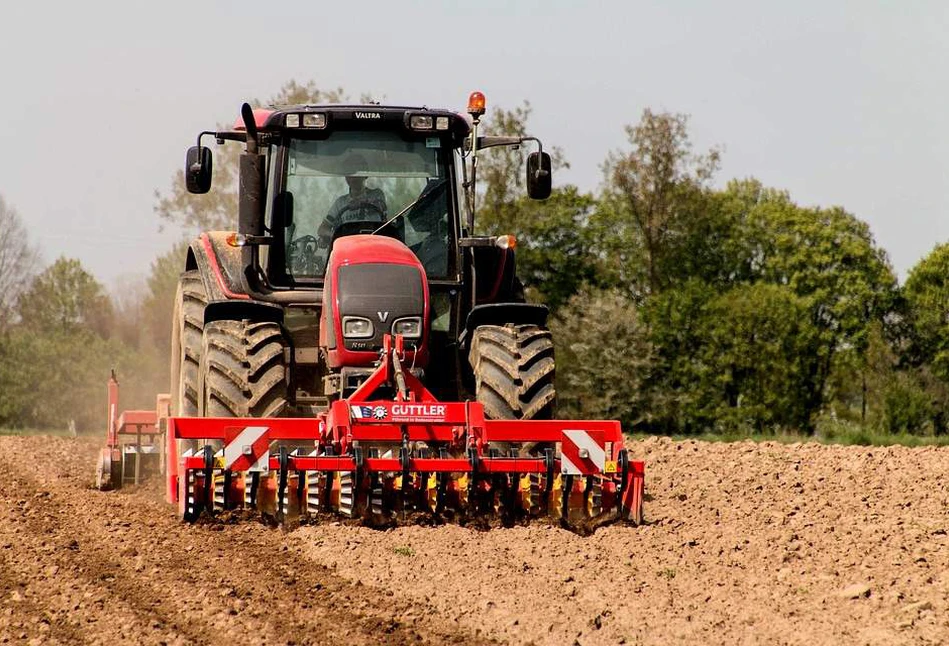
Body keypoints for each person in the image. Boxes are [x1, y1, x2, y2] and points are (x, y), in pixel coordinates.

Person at [318, 153, 388, 242]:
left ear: (366, 174)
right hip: (348, 248)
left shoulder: (377, 194)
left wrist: (360, 202)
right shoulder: (340, 203)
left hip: (375, 244)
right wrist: (336, 235)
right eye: (349, 172)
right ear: (345, 176)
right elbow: (322, 229)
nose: (352, 177)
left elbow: (381, 207)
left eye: (357, 172)